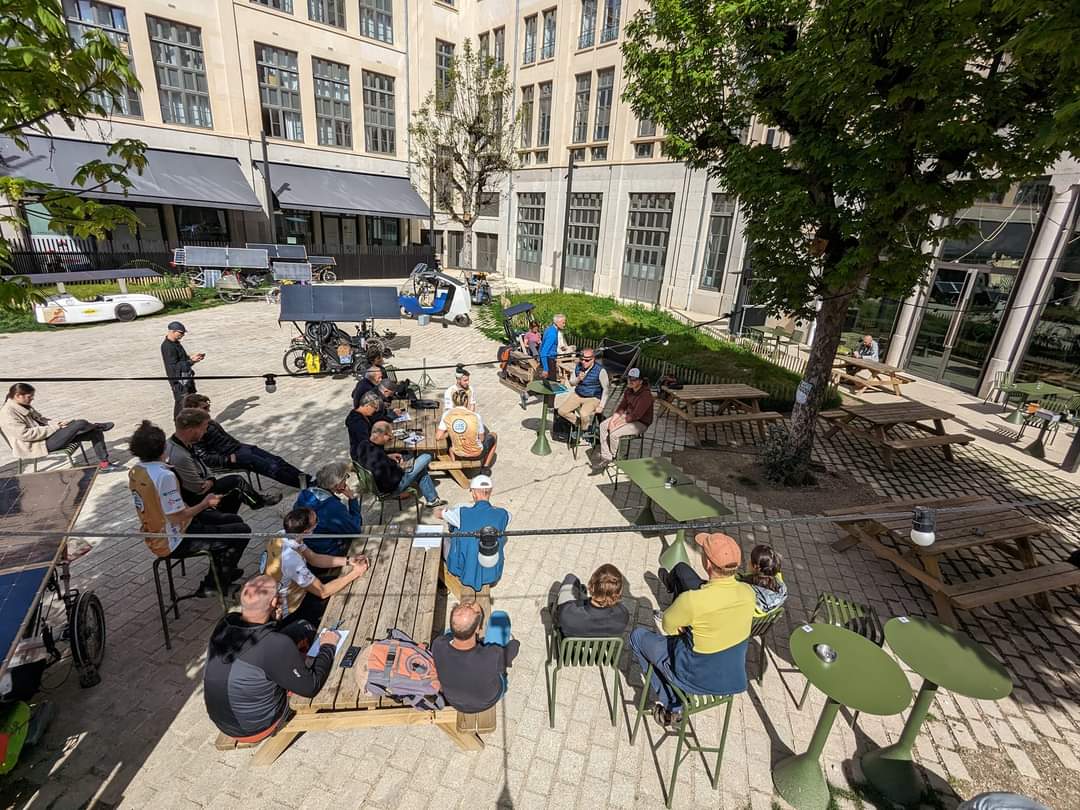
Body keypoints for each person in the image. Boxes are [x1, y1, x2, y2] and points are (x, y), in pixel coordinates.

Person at [630, 532, 754, 726]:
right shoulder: (748, 593)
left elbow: (668, 626)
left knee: (638, 637)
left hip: (694, 676)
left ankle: (673, 705)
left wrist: (684, 629)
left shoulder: (693, 600)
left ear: (708, 564)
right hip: (732, 678)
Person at [203, 575, 341, 740]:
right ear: (275, 602)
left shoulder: (225, 623)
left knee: (301, 627)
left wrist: (274, 620)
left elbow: (261, 638)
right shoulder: (275, 644)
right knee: (315, 656)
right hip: (257, 727)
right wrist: (328, 646)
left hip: (224, 720)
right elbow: (311, 688)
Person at [128, 420, 249, 593]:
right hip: (174, 538)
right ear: (162, 448)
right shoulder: (163, 476)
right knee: (242, 531)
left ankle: (224, 570)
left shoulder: (137, 470)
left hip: (163, 531)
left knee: (233, 520)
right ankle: (212, 586)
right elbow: (176, 516)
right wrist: (205, 503)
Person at [262, 508, 370, 626]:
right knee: (349, 594)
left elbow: (313, 558)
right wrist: (355, 573)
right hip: (293, 610)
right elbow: (323, 592)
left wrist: (348, 560)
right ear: (306, 531)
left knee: (342, 581)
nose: (318, 521)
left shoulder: (284, 534)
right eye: (316, 520)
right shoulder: (291, 560)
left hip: (297, 590)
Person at [166, 408, 281, 513]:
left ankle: (251, 505)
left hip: (204, 483)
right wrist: (211, 481)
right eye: (204, 428)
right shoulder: (179, 456)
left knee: (236, 493)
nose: (205, 432)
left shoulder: (184, 442)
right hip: (194, 499)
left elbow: (202, 464)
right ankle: (259, 503)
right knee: (237, 482)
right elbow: (199, 488)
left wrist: (210, 478)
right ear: (191, 430)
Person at [181, 394, 306, 489]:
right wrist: (228, 459)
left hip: (238, 447)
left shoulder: (208, 421)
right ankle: (304, 485)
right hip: (231, 456)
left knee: (277, 461)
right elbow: (205, 458)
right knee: (272, 468)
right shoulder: (194, 431)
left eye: (208, 407)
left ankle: (308, 479)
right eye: (205, 408)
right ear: (193, 409)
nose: (208, 410)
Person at [0, 383, 119, 471]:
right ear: (18, 395)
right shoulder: (8, 413)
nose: (32, 399)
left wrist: (59, 424)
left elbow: (42, 420)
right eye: (29, 396)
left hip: (47, 437)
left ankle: (105, 464)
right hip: (37, 445)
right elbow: (25, 435)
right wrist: (55, 428)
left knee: (94, 433)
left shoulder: (23, 405)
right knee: (80, 423)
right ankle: (97, 426)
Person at [431, 601, 519, 713]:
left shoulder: (438, 644)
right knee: (499, 617)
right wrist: (514, 642)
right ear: (478, 629)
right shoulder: (492, 655)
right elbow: (513, 648)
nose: (470, 604)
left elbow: (448, 636)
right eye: (475, 610)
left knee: (447, 632)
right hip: (487, 701)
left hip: (455, 702)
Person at [436, 475, 510, 594]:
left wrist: (444, 511)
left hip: (463, 570)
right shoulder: (504, 514)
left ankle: (442, 584)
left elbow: (438, 514)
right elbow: (503, 514)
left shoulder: (460, 513)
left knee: (442, 538)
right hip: (492, 573)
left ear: (474, 493)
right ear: (490, 492)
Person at [356, 421, 446, 508]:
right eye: (390, 437)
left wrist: (388, 457)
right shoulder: (378, 456)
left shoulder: (363, 444)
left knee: (420, 468)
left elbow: (376, 460)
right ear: (383, 435)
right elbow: (392, 479)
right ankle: (432, 499)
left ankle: (433, 500)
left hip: (379, 484)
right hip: (394, 487)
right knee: (427, 456)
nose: (389, 440)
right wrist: (401, 467)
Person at [294, 460, 362, 557]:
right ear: (338, 485)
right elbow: (355, 530)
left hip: (306, 546)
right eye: (345, 478)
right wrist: (352, 499)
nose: (346, 481)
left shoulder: (305, 493)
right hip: (326, 552)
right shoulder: (333, 507)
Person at [593, 368, 654, 470]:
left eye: (634, 379)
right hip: (628, 416)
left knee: (614, 434)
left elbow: (636, 415)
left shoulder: (646, 396)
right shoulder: (629, 390)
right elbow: (621, 407)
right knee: (603, 425)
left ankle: (613, 456)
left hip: (641, 422)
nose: (630, 381)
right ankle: (607, 455)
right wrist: (613, 420)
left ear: (640, 381)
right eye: (629, 378)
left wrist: (617, 423)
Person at [554, 564, 630, 638]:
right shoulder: (623, 615)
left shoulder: (568, 613)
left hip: (573, 644)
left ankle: (581, 593)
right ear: (617, 594)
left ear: (592, 587)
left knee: (570, 578)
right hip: (600, 646)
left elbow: (560, 616)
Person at [436, 388, 498, 467]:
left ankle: (455, 466)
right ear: (466, 401)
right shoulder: (475, 416)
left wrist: (450, 432)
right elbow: (481, 439)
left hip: (458, 453)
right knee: (494, 435)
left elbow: (438, 437)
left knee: (451, 448)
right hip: (476, 454)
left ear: (453, 401)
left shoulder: (447, 415)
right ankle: (485, 466)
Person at [556, 348, 610, 431]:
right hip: (578, 394)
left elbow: (606, 389)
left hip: (593, 397)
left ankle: (584, 430)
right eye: (582, 359)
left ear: (593, 359)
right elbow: (571, 383)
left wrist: (601, 406)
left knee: (583, 414)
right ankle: (580, 424)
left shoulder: (600, 370)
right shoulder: (578, 366)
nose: (584, 362)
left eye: (587, 360)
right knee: (561, 411)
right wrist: (578, 379)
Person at [161, 321, 203, 417]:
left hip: (186, 377)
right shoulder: (168, 347)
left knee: (191, 400)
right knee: (182, 403)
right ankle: (179, 423)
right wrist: (191, 361)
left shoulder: (176, 343)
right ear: (172, 331)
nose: (183, 335)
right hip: (179, 381)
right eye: (181, 333)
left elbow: (181, 358)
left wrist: (191, 358)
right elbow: (174, 367)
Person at [742, 544, 788, 615]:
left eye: (750, 559)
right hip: (760, 618)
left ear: (755, 566)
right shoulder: (780, 587)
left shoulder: (746, 590)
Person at [346, 391, 384, 461]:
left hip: (366, 452)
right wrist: (385, 457)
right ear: (367, 405)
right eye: (375, 408)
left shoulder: (360, 414)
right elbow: (366, 445)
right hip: (363, 457)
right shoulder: (358, 422)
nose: (376, 411)